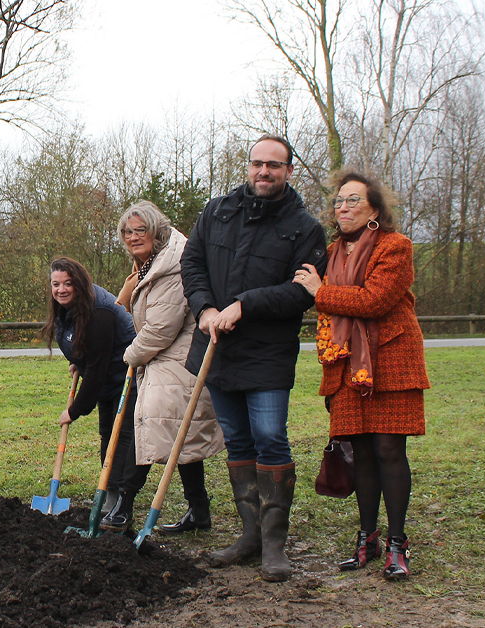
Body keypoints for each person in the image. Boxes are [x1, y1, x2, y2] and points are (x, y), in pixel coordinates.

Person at [182, 134, 327, 582]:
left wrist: (245, 303)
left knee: (269, 438)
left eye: (275, 165)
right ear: (248, 166)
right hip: (218, 350)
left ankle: (274, 545)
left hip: (267, 354)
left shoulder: (305, 228)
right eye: (257, 163)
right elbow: (193, 262)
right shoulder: (217, 211)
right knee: (238, 443)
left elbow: (302, 292)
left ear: (289, 171)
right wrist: (205, 307)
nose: (264, 171)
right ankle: (249, 537)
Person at [292, 170, 429, 581]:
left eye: (353, 200)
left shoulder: (395, 247)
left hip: (391, 360)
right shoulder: (332, 253)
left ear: (374, 209)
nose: (343, 207)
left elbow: (375, 300)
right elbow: (336, 310)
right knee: (363, 452)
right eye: (339, 201)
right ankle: (367, 537)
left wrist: (321, 293)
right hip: (347, 363)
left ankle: (398, 543)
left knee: (389, 450)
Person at [114, 202, 225, 535]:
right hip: (170, 359)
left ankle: (123, 505)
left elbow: (161, 327)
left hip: (179, 360)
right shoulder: (151, 263)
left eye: (139, 230)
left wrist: (130, 355)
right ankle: (199, 511)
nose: (133, 237)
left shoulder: (173, 265)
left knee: (149, 424)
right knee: (179, 432)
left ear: (157, 230)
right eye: (126, 232)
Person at [39, 256, 145, 531]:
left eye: (67, 284)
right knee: (107, 434)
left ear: (80, 284)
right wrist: (78, 360)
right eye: (55, 284)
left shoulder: (100, 312)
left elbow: (97, 372)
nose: (61, 289)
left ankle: (119, 501)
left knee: (121, 437)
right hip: (106, 376)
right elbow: (83, 345)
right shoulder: (66, 308)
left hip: (126, 378)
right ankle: (109, 493)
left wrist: (73, 411)